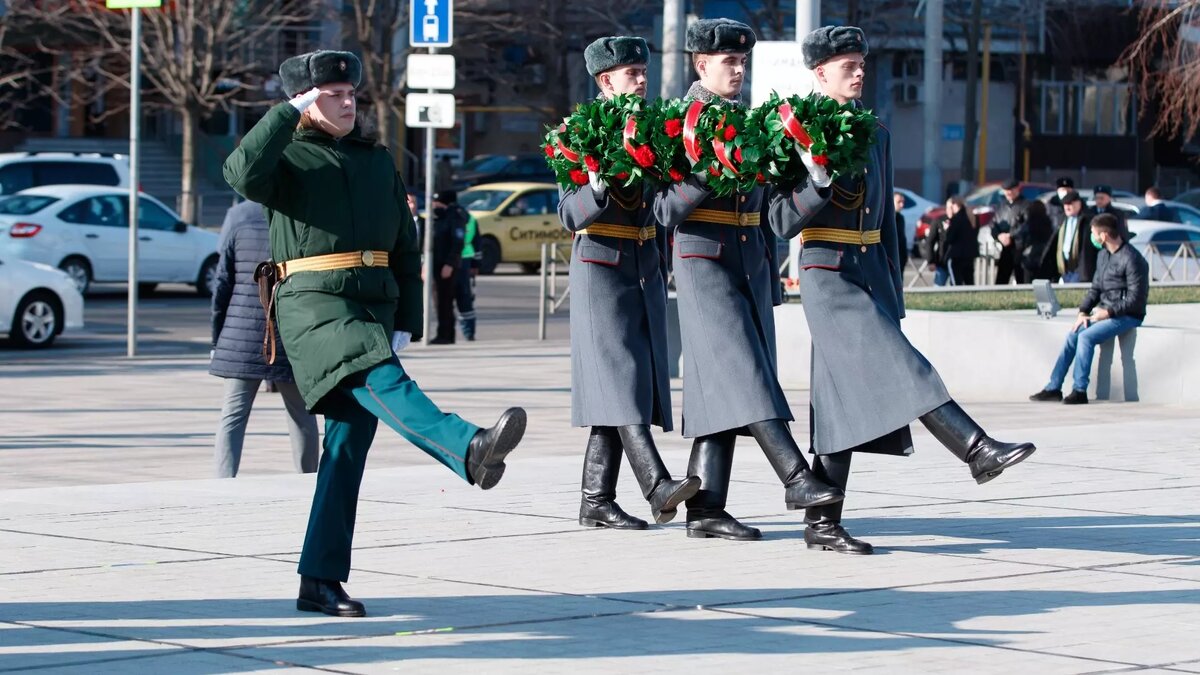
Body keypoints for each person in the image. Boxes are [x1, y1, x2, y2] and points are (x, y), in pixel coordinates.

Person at [223, 50, 526, 618]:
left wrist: (409, 319)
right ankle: (467, 446)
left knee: (346, 449)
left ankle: (319, 579)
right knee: (380, 376)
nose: (346, 101)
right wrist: (286, 114)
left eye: (350, 92)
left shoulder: (374, 159)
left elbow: (405, 243)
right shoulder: (286, 156)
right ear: (306, 103)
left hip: (371, 304)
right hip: (313, 303)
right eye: (331, 94)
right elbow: (239, 173)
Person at [769, 25, 1037, 555]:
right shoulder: (794, 130)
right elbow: (779, 221)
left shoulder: (877, 132)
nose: (859, 71)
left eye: (862, 62)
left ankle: (822, 523)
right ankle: (975, 448)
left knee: (838, 401)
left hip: (868, 272)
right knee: (905, 365)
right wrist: (815, 182)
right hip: (827, 274)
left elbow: (887, 225)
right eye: (848, 65)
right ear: (821, 74)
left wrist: (893, 294)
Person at [655, 18, 844, 542]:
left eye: (743, 62)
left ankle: (706, 510)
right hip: (703, 264)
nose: (738, 70)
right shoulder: (677, 122)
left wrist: (815, 182)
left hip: (751, 264)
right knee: (746, 374)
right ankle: (795, 477)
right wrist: (705, 173)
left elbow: (776, 215)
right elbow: (664, 210)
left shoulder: (753, 122)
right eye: (728, 62)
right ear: (701, 64)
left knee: (726, 388)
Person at [558, 35, 700, 530]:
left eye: (643, 71)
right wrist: (593, 189)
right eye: (632, 73)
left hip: (643, 262)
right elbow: (567, 215)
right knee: (619, 378)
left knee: (623, 384)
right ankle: (656, 483)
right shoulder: (578, 130)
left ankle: (594, 500)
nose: (642, 80)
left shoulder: (654, 130)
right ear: (605, 81)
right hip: (599, 264)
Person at [210, 199, 319, 478]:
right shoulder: (304, 215)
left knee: (232, 416)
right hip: (290, 333)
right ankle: (308, 478)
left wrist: (217, 339)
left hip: (241, 335)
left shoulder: (238, 216)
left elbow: (222, 283)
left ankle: (223, 482)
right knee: (302, 415)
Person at [1030, 214, 1148, 405]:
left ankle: (1079, 390)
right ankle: (1054, 387)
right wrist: (1083, 312)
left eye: (1094, 233)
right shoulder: (1103, 255)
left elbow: (1136, 300)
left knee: (1086, 337)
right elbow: (1095, 288)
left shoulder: (1132, 259)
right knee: (1074, 334)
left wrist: (1108, 313)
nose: (1091, 237)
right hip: (1105, 311)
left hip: (1127, 315)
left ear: (1104, 235)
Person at [429, 190, 467, 345]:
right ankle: (442, 333)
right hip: (437, 264)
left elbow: (457, 243)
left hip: (447, 266)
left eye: (437, 202)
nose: (434, 205)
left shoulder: (455, 217)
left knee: (445, 300)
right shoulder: (439, 218)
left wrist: (450, 264)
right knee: (439, 301)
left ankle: (446, 334)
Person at [1047, 190, 1097, 282]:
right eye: (1065, 204)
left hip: (1080, 268)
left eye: (1070, 204)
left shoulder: (1087, 220)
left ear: (1078, 203)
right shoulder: (1062, 219)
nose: (1067, 207)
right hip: (1064, 268)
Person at [991, 179, 1028, 284]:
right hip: (1005, 248)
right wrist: (999, 236)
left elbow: (1026, 225)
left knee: (1021, 279)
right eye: (1006, 190)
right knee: (1001, 280)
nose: (1008, 193)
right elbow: (993, 224)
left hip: (1020, 248)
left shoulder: (1025, 205)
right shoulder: (1001, 206)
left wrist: (1010, 236)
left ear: (1017, 189)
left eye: (1011, 190)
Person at [456, 204, 480, 341]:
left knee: (463, 298)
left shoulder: (467, 218)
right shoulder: (470, 218)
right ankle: (469, 332)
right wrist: (476, 264)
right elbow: (478, 242)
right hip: (465, 259)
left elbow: (477, 241)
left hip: (462, 259)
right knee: (465, 297)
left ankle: (467, 331)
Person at [941, 196, 978, 286]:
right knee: (969, 282)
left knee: (956, 283)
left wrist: (947, 230)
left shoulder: (956, 219)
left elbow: (949, 238)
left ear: (955, 205)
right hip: (970, 254)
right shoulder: (972, 218)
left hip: (956, 255)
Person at [1021, 199, 1055, 281]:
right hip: (1044, 254)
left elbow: (1023, 236)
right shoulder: (1048, 222)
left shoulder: (1029, 223)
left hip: (1031, 254)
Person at [893, 191, 909, 275]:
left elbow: (902, 239)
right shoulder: (884, 218)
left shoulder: (901, 218)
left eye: (903, 202)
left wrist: (904, 257)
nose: (902, 205)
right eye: (899, 202)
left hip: (899, 259)